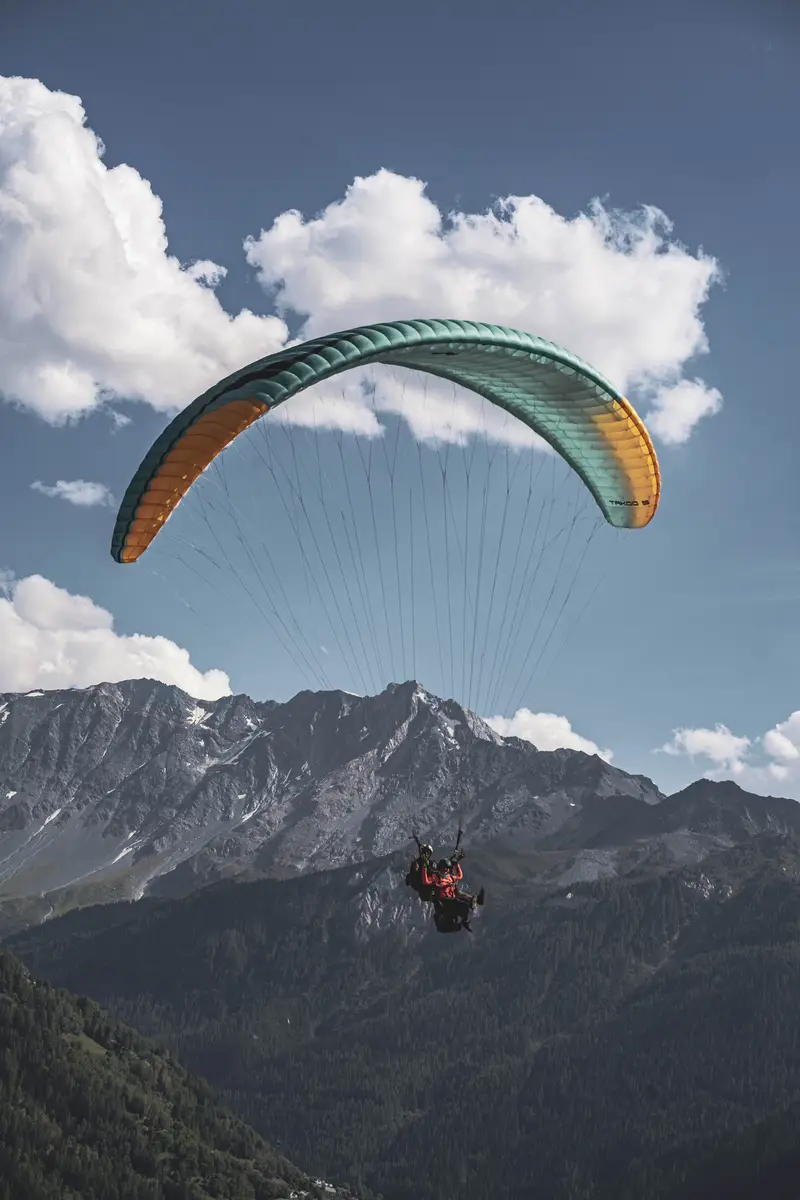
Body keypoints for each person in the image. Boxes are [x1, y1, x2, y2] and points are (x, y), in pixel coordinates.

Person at [421, 852, 485, 933]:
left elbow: (460, 876)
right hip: (444, 900)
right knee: (463, 905)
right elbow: (426, 881)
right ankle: (464, 922)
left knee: (468, 902)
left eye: (447, 868)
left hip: (452, 898)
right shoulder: (436, 877)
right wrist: (424, 867)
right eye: (444, 868)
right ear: (440, 868)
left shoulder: (450, 877)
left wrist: (457, 864)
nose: (446, 870)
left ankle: (467, 915)